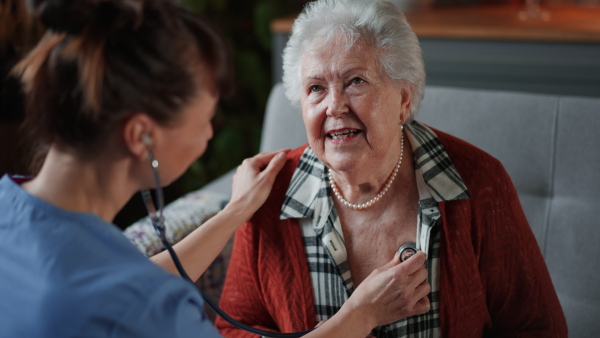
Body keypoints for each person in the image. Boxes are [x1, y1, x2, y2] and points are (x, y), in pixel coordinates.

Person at [0, 0, 431, 337]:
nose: (210, 135)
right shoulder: (151, 310)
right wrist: (361, 315)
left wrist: (232, 215)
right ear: (141, 137)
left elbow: (112, 288)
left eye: (355, 81)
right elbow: (124, 298)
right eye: (205, 117)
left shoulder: (11, 212)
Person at [215, 0, 568, 337]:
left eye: (356, 81)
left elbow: (538, 329)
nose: (334, 106)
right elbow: (234, 328)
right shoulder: (267, 195)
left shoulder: (479, 183)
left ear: (403, 99)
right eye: (316, 88)